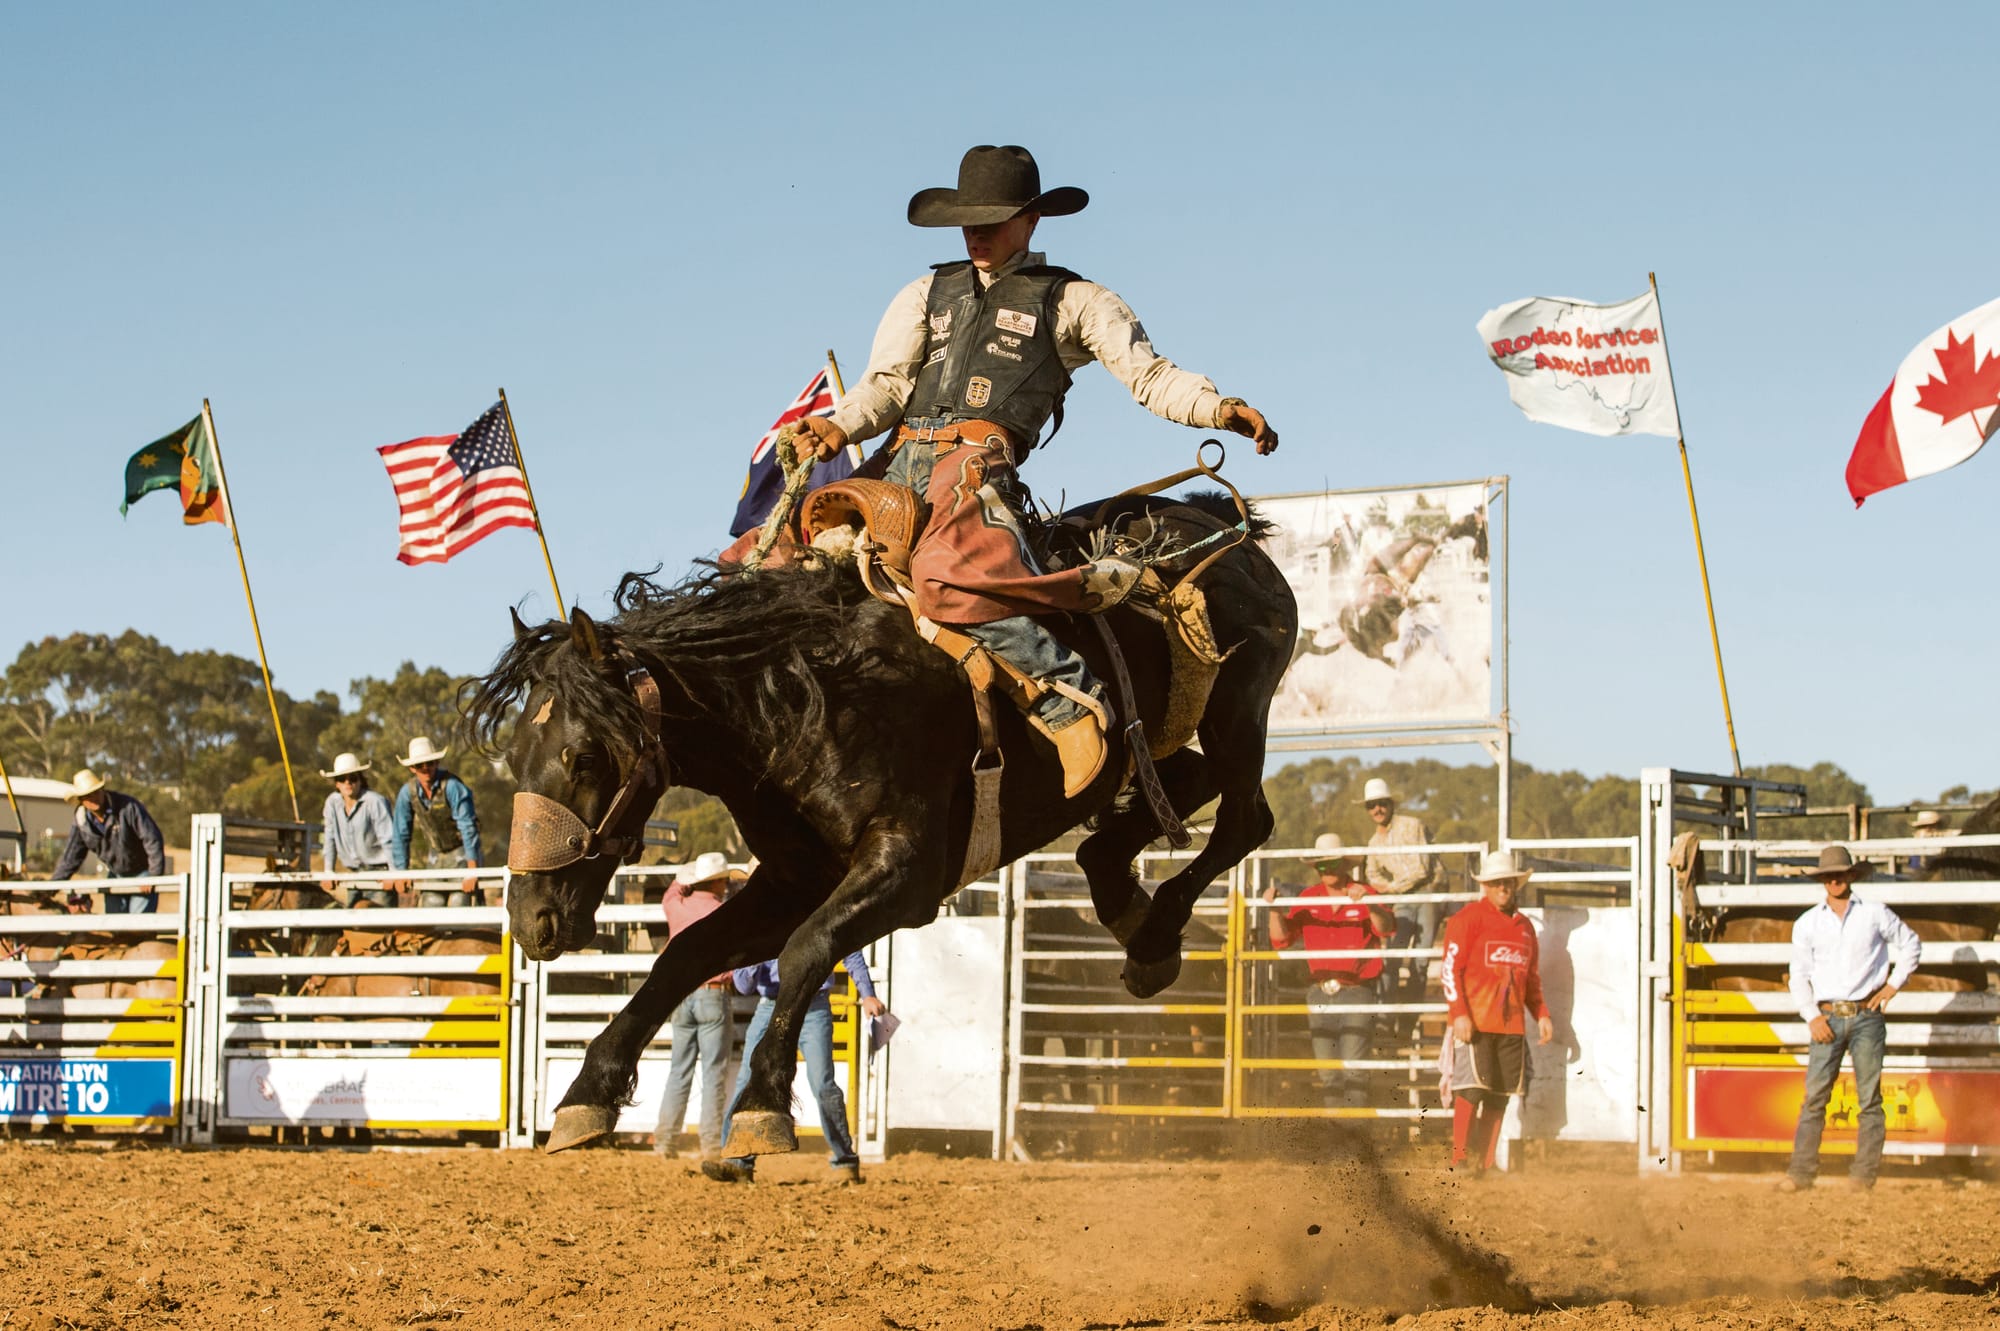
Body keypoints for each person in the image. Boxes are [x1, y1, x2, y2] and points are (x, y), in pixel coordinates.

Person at [789, 144, 1280, 799]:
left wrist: (1217, 407)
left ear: (1031, 219)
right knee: (784, 564)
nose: (978, 230)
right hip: (895, 464)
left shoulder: (1075, 301)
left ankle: (1069, 698)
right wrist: (837, 425)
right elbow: (885, 384)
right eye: (970, 217)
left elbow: (1150, 376)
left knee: (946, 573)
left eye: (995, 216)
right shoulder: (922, 294)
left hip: (975, 470)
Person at [1780, 844, 1921, 1193]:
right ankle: (1801, 1174)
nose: (1834, 880)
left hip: (1865, 1013)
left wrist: (1891, 987)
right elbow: (1797, 975)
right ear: (1822, 880)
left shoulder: (1874, 913)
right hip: (1827, 1015)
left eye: (1840, 874)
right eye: (1828, 875)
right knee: (1815, 1098)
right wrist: (1812, 1016)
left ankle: (1862, 1177)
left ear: (1851, 876)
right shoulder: (1808, 923)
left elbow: (1911, 944)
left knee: (1868, 1098)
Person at [704, 947, 888, 1185]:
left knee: (822, 1085)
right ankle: (738, 1161)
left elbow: (849, 950)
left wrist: (867, 993)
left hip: (809, 1004)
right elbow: (743, 985)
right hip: (775, 1004)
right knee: (748, 1081)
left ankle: (845, 1160)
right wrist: (755, 958)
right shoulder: (761, 923)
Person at [1439, 850, 1553, 1177]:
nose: (1503, 888)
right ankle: (1460, 1159)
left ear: (1515, 885)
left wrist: (1541, 1013)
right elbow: (1450, 969)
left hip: (1511, 1025)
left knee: (1500, 1095)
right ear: (1485, 886)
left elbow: (1531, 978)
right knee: (1471, 1090)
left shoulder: (1525, 928)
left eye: (1507, 882)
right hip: (1474, 1021)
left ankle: (1485, 1163)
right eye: (1496, 883)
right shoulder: (1468, 919)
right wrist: (1459, 1013)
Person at [1262, 833, 1396, 1108]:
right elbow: (1281, 939)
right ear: (1316, 869)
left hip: (1356, 990)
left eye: (1333, 863)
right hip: (1320, 992)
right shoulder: (1308, 897)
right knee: (1328, 1072)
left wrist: (1368, 905)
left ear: (1345, 864)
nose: (1328, 870)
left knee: (1354, 1069)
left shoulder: (1365, 893)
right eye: (1322, 866)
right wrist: (1273, 910)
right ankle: (1339, 1138)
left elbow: (1385, 928)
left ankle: (1354, 1138)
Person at [652, 852, 740, 1164]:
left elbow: (672, 890)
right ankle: (710, 1146)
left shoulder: (677, 906)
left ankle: (664, 1142)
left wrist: (685, 878)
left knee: (679, 1070)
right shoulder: (724, 911)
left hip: (681, 995)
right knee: (714, 1072)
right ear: (717, 882)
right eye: (724, 879)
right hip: (713, 993)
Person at [1360, 777, 1442, 1027]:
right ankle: (1386, 1019)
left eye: (1382, 803)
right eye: (1372, 805)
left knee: (1421, 959)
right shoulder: (1374, 843)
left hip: (1426, 893)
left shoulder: (1411, 825)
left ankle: (1407, 1021)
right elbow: (1372, 874)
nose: (1377, 810)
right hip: (1404, 899)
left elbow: (1421, 868)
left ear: (1390, 804)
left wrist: (1390, 889)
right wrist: (1384, 888)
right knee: (1392, 957)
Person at [50, 769, 166, 913]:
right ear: (81, 801)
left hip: (142, 872)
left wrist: (153, 877)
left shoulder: (127, 807)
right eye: (88, 796)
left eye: (96, 792)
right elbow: (71, 858)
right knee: (115, 924)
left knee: (138, 924)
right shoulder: (82, 821)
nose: (94, 798)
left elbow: (152, 839)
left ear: (103, 790)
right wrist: (52, 887)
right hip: (115, 873)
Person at [389, 736, 483, 908]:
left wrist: (473, 869)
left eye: (430, 763)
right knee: (430, 905)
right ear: (412, 768)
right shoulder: (407, 793)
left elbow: (467, 827)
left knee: (460, 903)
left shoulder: (453, 786)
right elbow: (400, 833)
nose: (426, 769)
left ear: (437, 762)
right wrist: (401, 871)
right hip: (435, 854)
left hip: (461, 852)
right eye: (420, 765)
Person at [319, 753, 397, 908]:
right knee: (353, 923)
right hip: (354, 874)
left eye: (353, 778)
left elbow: (388, 839)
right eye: (342, 779)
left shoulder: (375, 802)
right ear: (337, 784)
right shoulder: (332, 803)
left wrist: (393, 874)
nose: (348, 782)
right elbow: (329, 838)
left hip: (379, 872)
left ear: (360, 780)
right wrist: (328, 871)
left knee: (380, 924)